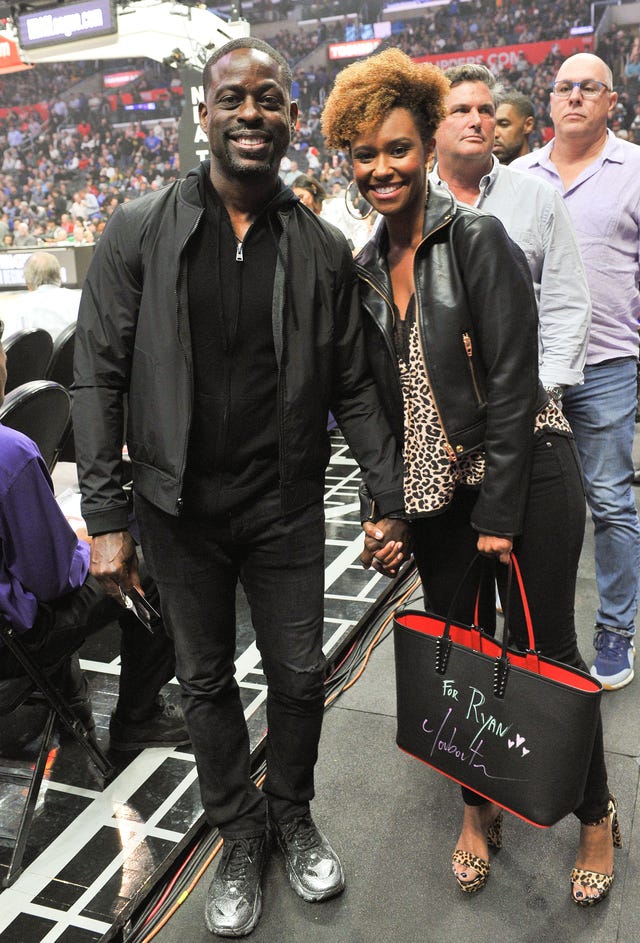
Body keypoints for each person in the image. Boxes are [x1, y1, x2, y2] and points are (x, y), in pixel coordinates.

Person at [72, 37, 405, 939]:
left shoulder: (321, 248)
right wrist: (106, 516)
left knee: (299, 674)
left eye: (267, 99)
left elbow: (354, 386)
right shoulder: (138, 230)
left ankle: (291, 812)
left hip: (282, 504)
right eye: (232, 98)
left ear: (292, 119)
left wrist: (387, 498)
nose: (250, 114)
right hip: (175, 512)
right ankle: (238, 831)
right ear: (204, 114)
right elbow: (97, 376)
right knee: (204, 679)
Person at [322, 46, 619, 909]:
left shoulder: (478, 237)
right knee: (459, 657)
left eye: (398, 149)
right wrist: (386, 507)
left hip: (527, 478)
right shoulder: (364, 268)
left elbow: (518, 383)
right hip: (436, 497)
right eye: (364, 154)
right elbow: (375, 403)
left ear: (426, 148)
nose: (382, 168)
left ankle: (595, 815)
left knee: (547, 654)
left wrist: (498, 511)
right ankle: (477, 806)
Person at [0, 319, 188, 753]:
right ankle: (139, 717)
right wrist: (83, 547)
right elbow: (52, 580)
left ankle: (69, 694)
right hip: (10, 645)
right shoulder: (10, 452)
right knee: (145, 566)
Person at [513, 53, 640, 690]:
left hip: (608, 362)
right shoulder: (517, 176)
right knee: (527, 504)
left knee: (610, 502)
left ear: (611, 101)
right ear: (551, 98)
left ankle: (616, 630)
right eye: (565, 87)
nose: (575, 97)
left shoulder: (635, 169)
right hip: (529, 368)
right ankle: (533, 628)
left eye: (589, 88)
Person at [431, 63, 590, 399]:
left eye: (486, 111)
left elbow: (566, 303)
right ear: (433, 124)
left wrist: (547, 390)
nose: (476, 120)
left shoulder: (538, 197)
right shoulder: (413, 203)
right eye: (461, 110)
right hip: (440, 402)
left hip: (525, 394)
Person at [2, 251, 81, 340]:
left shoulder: (19, 305)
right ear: (58, 275)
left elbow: (9, 343)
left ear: (28, 279)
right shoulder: (79, 299)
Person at [493, 91, 535, 164]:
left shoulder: (548, 170)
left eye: (504, 124)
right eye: (491, 126)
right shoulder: (476, 170)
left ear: (528, 125)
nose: (494, 134)